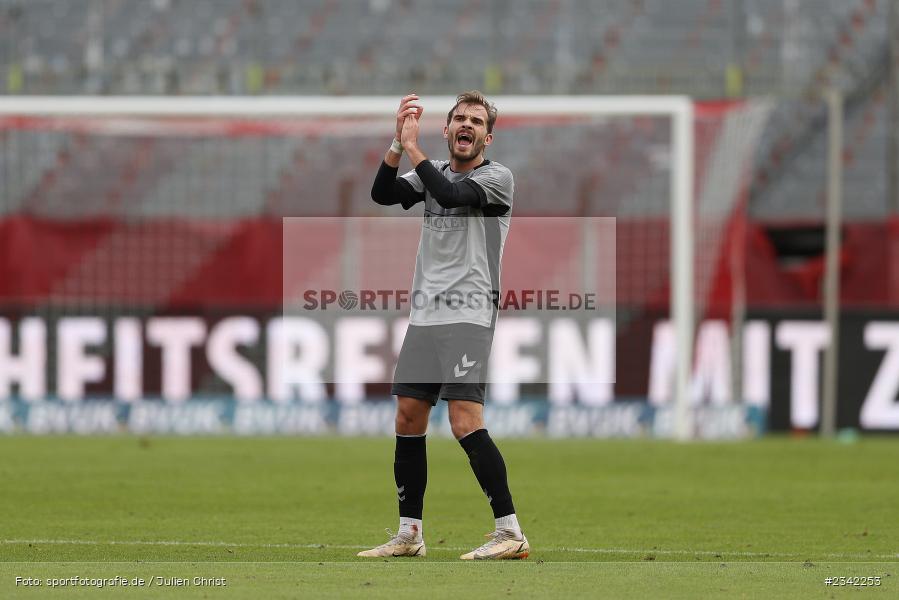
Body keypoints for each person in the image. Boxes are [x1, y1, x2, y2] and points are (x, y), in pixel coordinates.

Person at [358, 91, 528, 561]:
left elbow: (452, 195)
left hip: (470, 313)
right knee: (408, 417)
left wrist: (414, 150)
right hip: (426, 314)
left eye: (475, 120)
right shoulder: (431, 171)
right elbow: (384, 194)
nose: (466, 125)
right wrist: (397, 144)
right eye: (459, 119)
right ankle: (409, 533)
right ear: (447, 129)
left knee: (463, 420)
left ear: (486, 136)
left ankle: (510, 532)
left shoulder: (496, 178)